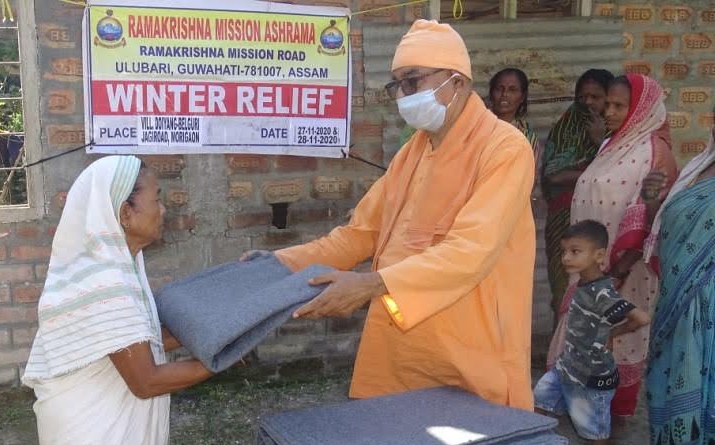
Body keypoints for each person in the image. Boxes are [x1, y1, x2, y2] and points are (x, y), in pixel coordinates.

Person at [244, 20, 537, 409]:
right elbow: (358, 235)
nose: (402, 95)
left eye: (412, 81)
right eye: (397, 84)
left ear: (457, 82)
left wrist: (368, 285)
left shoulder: (505, 149)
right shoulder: (412, 152)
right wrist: (279, 264)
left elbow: (470, 251)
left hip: (471, 349)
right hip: (406, 347)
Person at [22, 156, 214, 445]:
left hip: (97, 440)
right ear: (126, 212)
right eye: (156, 200)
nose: (164, 210)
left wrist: (217, 325)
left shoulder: (119, 266)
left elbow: (135, 341)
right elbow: (146, 380)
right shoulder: (104, 278)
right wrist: (218, 361)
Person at [549, 74, 678, 421]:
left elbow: (658, 214)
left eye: (620, 106)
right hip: (591, 266)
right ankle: (579, 403)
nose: (609, 111)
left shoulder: (654, 151)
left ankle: (608, 414)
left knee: (616, 339)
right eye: (609, 104)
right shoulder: (610, 145)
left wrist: (618, 270)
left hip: (624, 270)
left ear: (641, 109)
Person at [621, 116, 715, 445]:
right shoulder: (700, 164)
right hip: (676, 289)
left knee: (703, 375)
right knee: (666, 370)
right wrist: (654, 200)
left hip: (708, 295)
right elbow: (671, 219)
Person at [534, 220, 650, 445]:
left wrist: (614, 333)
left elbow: (641, 318)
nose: (566, 258)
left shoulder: (602, 292)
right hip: (568, 365)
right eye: (564, 252)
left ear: (599, 255)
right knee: (540, 400)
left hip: (592, 374)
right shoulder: (582, 285)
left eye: (575, 251)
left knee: (596, 426)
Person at [541, 69, 614, 321]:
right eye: (583, 97)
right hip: (563, 219)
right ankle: (559, 347)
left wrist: (599, 141)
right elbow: (553, 176)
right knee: (562, 283)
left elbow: (619, 174)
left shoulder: (619, 134)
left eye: (596, 97)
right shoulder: (566, 127)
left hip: (601, 219)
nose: (589, 103)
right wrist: (595, 169)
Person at [487, 67, 539, 153]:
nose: (505, 94)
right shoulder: (478, 127)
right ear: (491, 94)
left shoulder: (527, 137)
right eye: (499, 89)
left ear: (522, 97)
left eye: (512, 90)